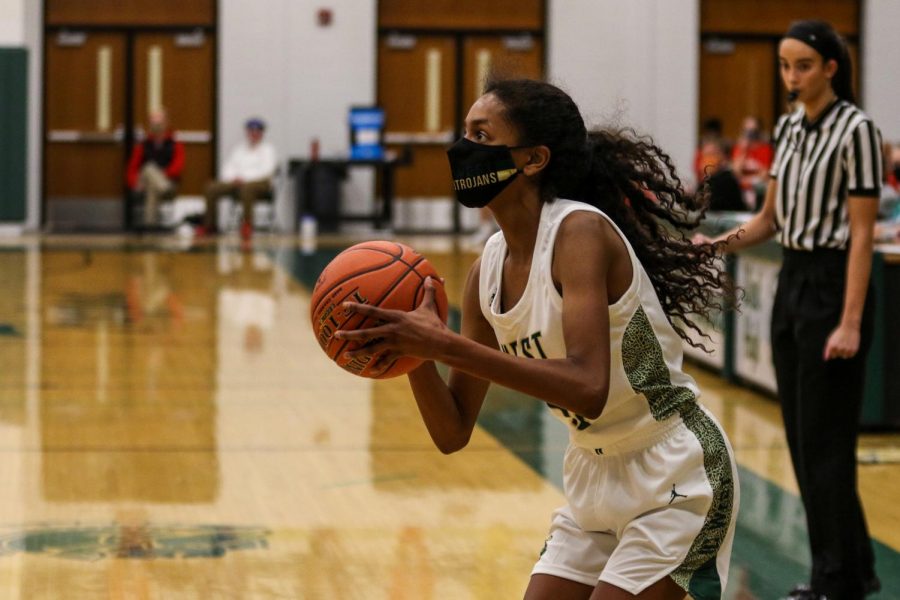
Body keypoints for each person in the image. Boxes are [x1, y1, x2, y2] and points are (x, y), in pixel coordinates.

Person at [335, 78, 739, 599]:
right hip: (592, 475)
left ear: (532, 159)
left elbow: (588, 385)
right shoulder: (487, 271)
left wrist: (443, 344)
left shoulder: (578, 233)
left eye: (481, 135)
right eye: (464, 134)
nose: (462, 150)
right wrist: (415, 356)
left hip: (675, 469)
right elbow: (453, 432)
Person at [693, 20, 882, 600]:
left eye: (802, 65)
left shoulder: (858, 131)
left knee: (826, 445)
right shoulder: (789, 128)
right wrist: (710, 245)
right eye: (784, 65)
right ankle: (854, 568)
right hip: (793, 283)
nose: (791, 77)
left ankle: (834, 578)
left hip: (832, 286)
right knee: (802, 440)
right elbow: (770, 219)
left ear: (831, 67)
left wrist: (849, 321)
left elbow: (861, 235)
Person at [198, 117, 277, 240]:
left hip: (260, 184)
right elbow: (228, 168)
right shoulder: (239, 150)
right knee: (211, 188)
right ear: (247, 132)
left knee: (247, 189)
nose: (254, 134)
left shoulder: (268, 150)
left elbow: (266, 171)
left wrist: (244, 179)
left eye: (257, 131)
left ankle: (247, 224)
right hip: (236, 183)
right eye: (251, 131)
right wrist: (233, 178)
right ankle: (210, 225)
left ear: (262, 133)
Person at [126, 108, 185, 227]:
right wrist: (135, 183)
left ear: (166, 123)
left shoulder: (175, 144)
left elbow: (178, 167)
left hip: (166, 181)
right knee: (148, 168)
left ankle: (150, 227)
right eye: (154, 123)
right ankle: (163, 187)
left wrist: (162, 175)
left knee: (152, 187)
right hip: (145, 182)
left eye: (159, 123)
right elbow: (132, 169)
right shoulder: (143, 145)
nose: (156, 126)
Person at [730, 116, 773, 210]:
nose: (750, 135)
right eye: (747, 131)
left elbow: (765, 174)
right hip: (740, 192)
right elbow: (735, 171)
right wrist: (743, 150)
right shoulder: (739, 148)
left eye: (753, 131)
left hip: (758, 191)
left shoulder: (765, 149)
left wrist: (748, 179)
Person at [699, 139, 746, 212]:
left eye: (711, 154)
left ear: (722, 156)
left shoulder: (727, 180)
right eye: (704, 155)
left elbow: (713, 206)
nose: (707, 159)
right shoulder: (707, 180)